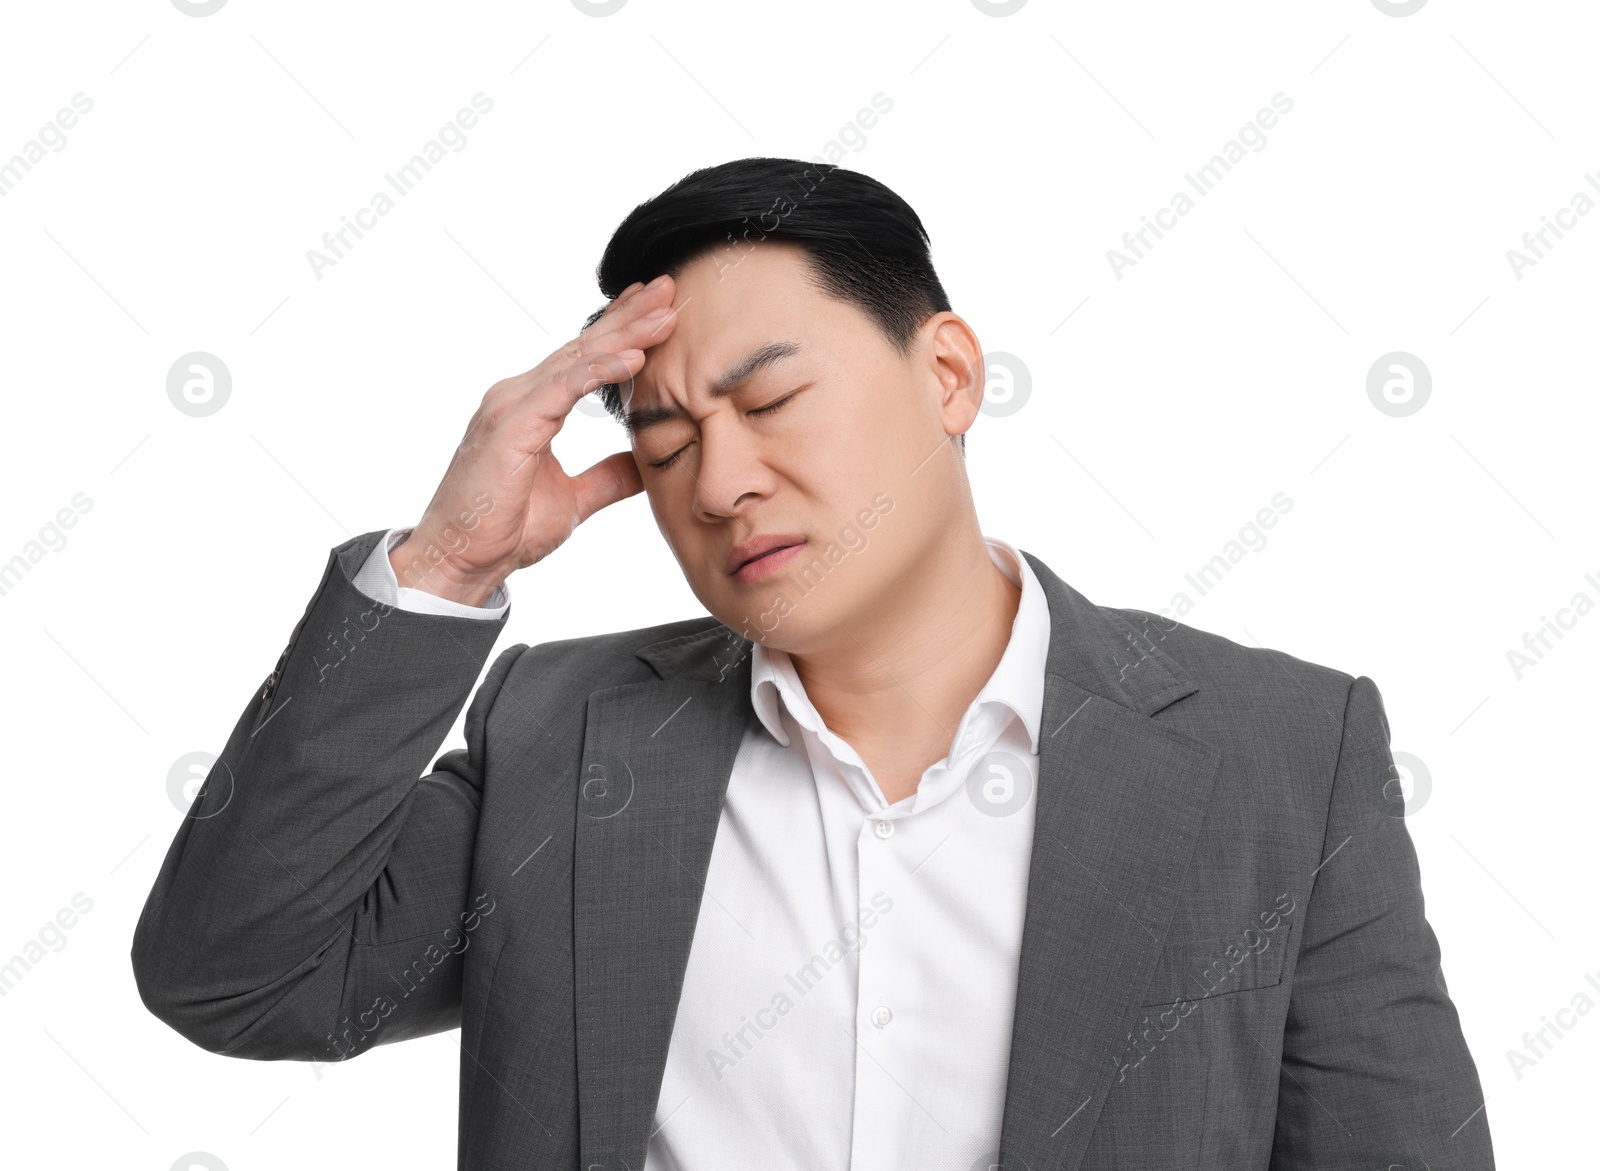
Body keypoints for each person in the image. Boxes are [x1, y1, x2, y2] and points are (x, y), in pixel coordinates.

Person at [131, 157, 1495, 1170]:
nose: (719, 481)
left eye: (773, 400)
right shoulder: (567, 736)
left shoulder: (1279, 754)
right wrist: (447, 565)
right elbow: (239, 977)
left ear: (949, 374)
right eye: (662, 443)